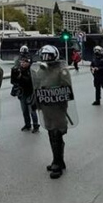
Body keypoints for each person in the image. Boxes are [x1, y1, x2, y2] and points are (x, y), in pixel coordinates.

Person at [32, 45, 75, 179]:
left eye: (48, 56)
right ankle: (57, 160)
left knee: (57, 134)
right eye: (44, 56)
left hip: (57, 107)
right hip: (46, 107)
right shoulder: (42, 70)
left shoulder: (62, 70)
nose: (46, 59)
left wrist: (51, 91)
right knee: (51, 132)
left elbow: (67, 89)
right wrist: (36, 100)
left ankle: (58, 162)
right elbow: (37, 85)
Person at [11, 45, 40, 133]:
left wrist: (21, 77)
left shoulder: (32, 70)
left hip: (30, 92)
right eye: (22, 62)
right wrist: (15, 75)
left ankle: (35, 125)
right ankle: (27, 125)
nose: (23, 63)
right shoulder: (18, 69)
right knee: (24, 110)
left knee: (32, 110)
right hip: (22, 93)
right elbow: (13, 82)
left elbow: (30, 81)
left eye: (25, 62)